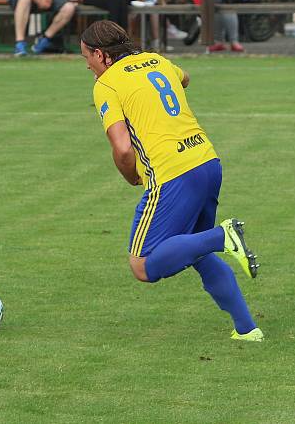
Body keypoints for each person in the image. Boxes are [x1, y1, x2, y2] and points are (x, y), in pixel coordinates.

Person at [82, 19, 262, 341]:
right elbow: (185, 78)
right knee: (195, 251)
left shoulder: (106, 84)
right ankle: (247, 329)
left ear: (102, 55)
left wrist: (131, 175)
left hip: (173, 174)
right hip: (207, 161)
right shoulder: (156, 59)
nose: (88, 68)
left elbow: (122, 147)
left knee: (144, 265)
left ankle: (223, 236)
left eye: (88, 59)